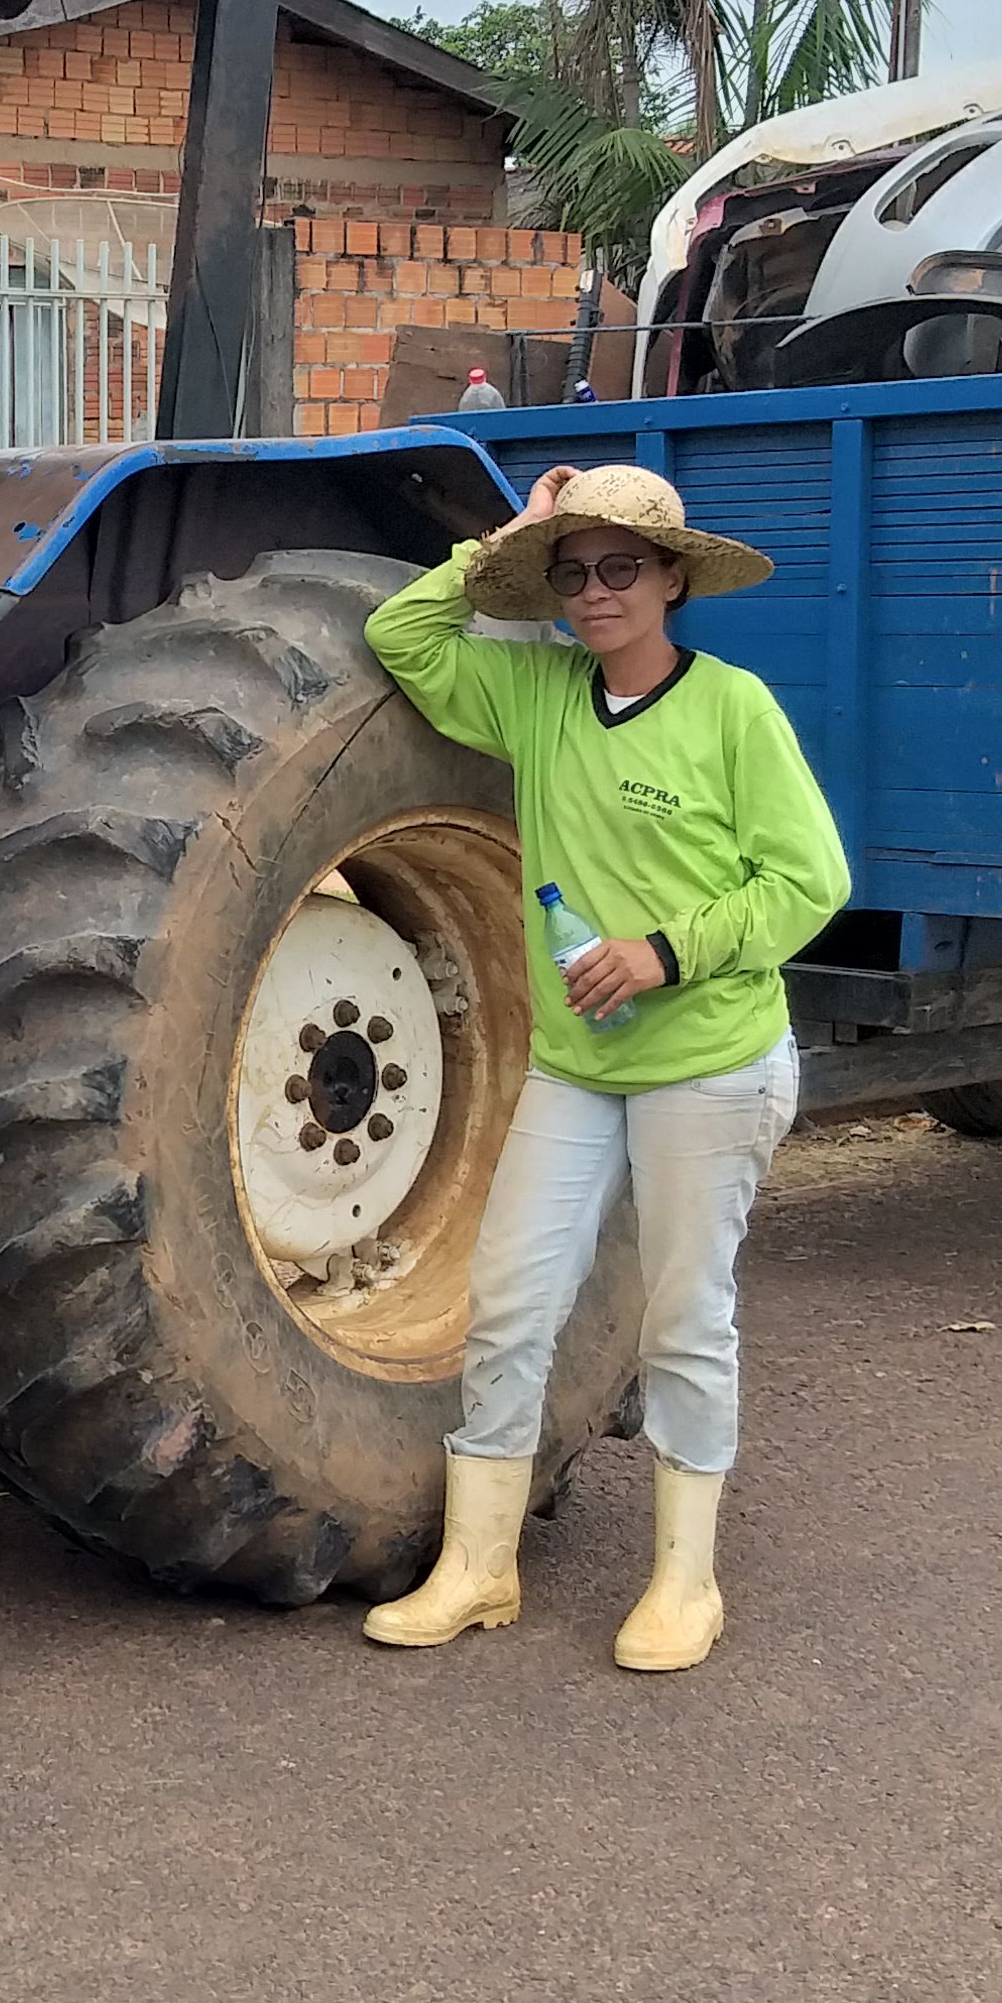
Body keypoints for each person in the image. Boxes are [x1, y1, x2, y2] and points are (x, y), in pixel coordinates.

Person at [360, 461, 849, 1669]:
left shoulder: (733, 711)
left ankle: (687, 1582)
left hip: (711, 1063)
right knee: (515, 1299)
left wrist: (664, 954)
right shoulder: (538, 695)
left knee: (683, 1319)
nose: (594, 594)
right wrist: (511, 536)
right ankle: (479, 1567)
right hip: (579, 1067)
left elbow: (812, 884)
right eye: (573, 575)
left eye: (621, 568)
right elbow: (402, 636)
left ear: (675, 579)